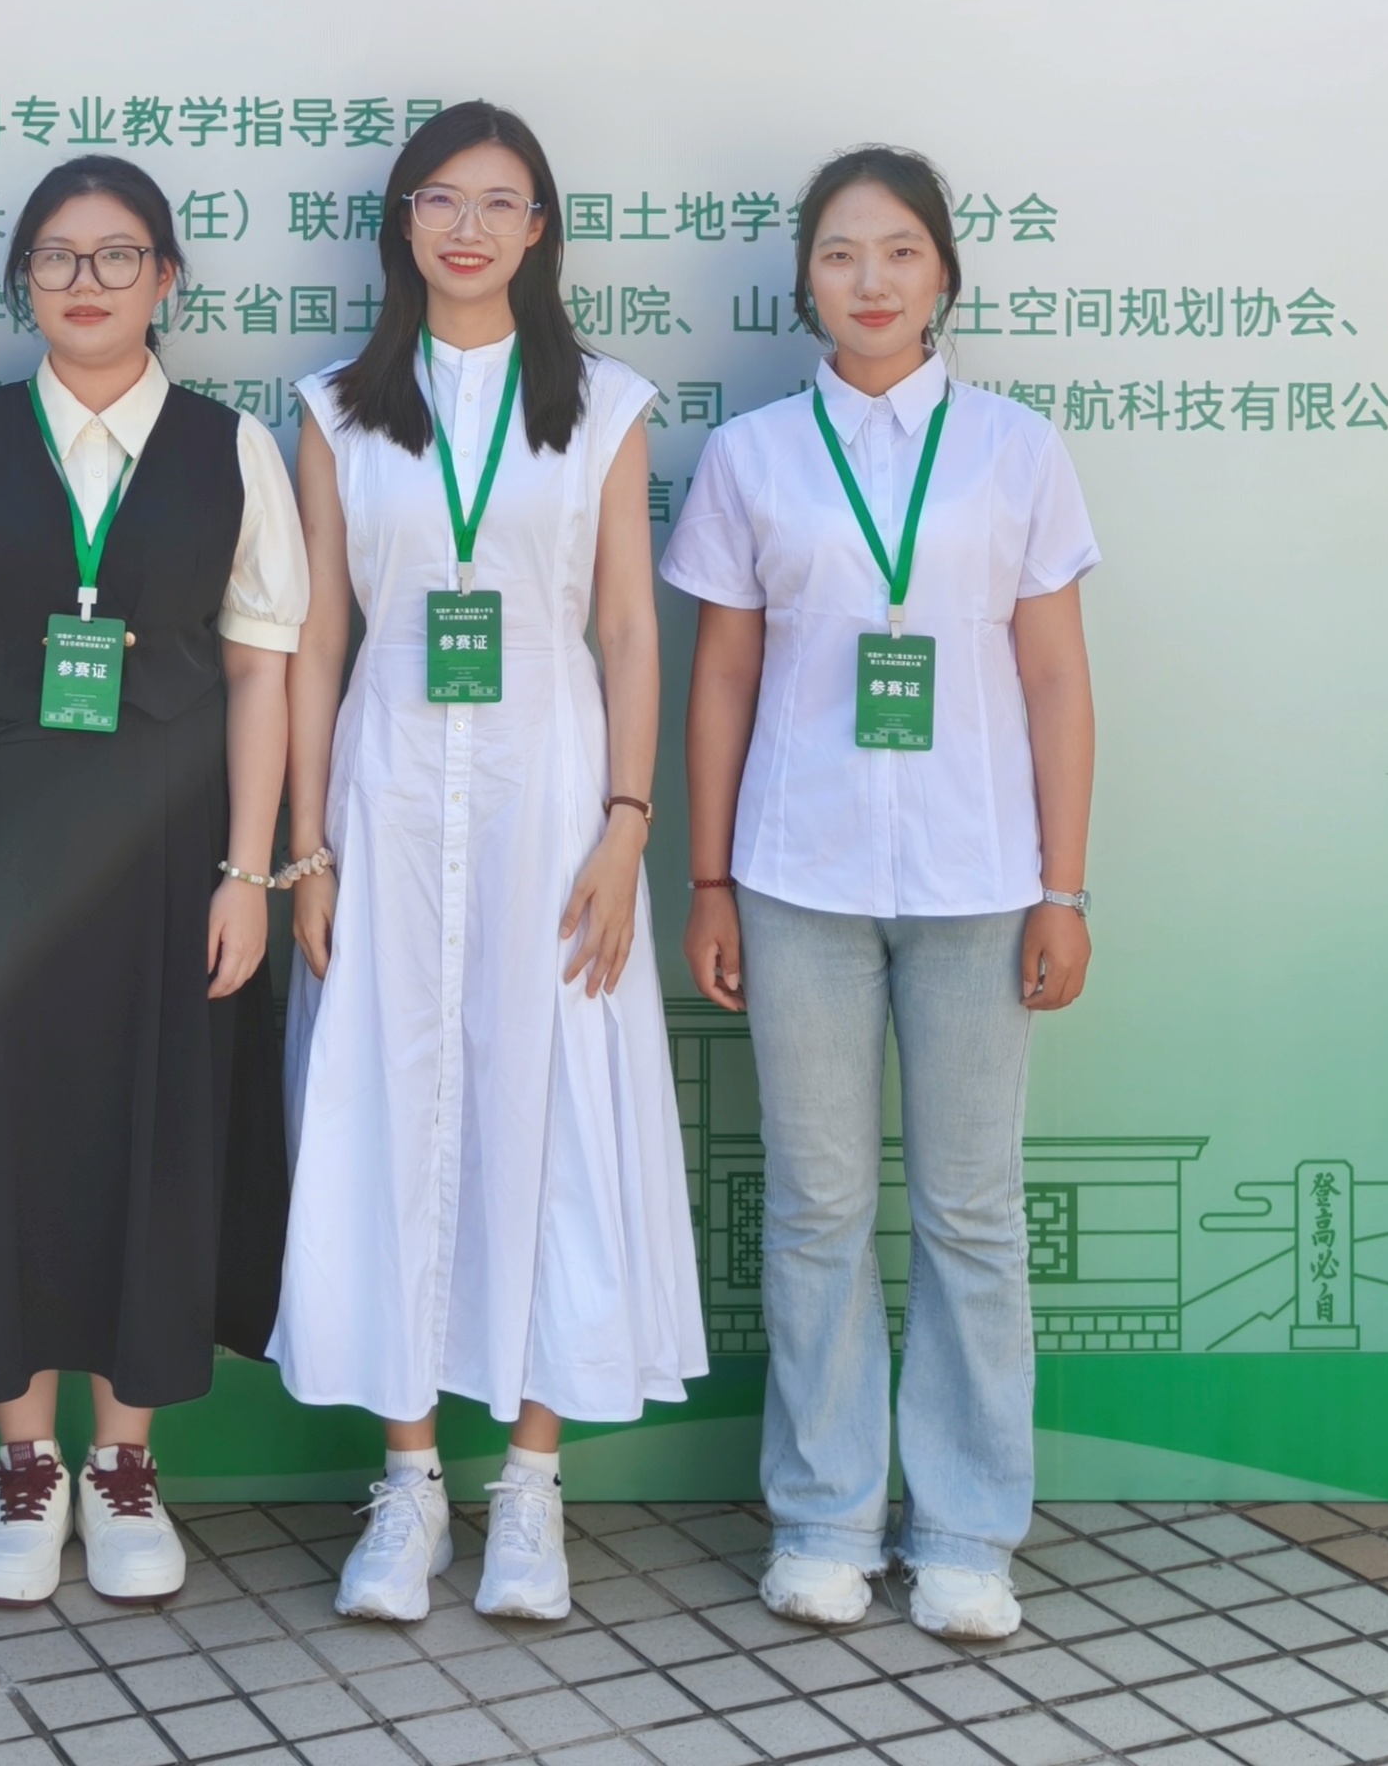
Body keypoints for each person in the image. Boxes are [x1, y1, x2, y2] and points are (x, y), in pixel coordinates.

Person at [0, 154, 304, 1607]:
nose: (85, 282)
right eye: (56, 257)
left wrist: (250, 872)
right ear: (23, 281)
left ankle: (127, 1464)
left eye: (117, 255)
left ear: (167, 278)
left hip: (171, 856)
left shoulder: (233, 450)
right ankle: (26, 1463)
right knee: (3, 1140)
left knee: (158, 1133)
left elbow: (262, 676)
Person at [270, 102, 706, 1623]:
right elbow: (317, 637)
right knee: (391, 1104)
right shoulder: (335, 409)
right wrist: (305, 848)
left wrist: (630, 823)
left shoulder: (602, 403)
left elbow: (630, 628)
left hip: (553, 795)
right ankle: (408, 1484)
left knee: (553, 1107)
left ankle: (530, 1484)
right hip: (387, 790)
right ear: (402, 223)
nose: (467, 227)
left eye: (499, 201)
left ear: (540, 230)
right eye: (440, 200)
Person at [661, 144, 1100, 1644]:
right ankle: (826, 1517)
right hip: (800, 875)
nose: (871, 279)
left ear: (943, 275)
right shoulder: (754, 456)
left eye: (901, 250)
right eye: (841, 252)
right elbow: (722, 677)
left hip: (980, 880)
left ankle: (969, 1531)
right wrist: (708, 879)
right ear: (806, 280)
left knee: (972, 1211)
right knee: (818, 1207)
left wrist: (1065, 887)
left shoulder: (1016, 451)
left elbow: (1056, 679)